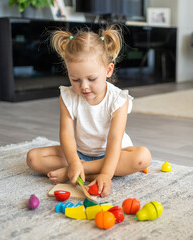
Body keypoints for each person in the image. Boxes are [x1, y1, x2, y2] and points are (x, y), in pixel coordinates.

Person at [26, 25, 152, 197]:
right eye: (75, 79)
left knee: (142, 157)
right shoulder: (67, 96)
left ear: (108, 70)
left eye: (91, 79)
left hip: (113, 154)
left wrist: (106, 174)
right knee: (34, 158)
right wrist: (73, 161)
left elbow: (115, 139)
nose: (83, 86)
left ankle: (80, 172)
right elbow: (67, 135)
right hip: (80, 153)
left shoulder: (118, 100)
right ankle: (81, 170)